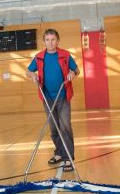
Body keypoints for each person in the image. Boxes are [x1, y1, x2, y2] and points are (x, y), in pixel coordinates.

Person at [26, 28, 80, 172]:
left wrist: (72, 73)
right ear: (44, 41)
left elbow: (76, 70)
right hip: (47, 98)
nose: (50, 43)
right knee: (54, 127)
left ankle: (68, 157)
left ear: (57, 41)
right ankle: (59, 153)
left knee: (65, 126)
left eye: (53, 40)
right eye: (47, 40)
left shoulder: (65, 55)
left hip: (63, 96)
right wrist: (33, 76)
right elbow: (28, 71)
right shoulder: (39, 57)